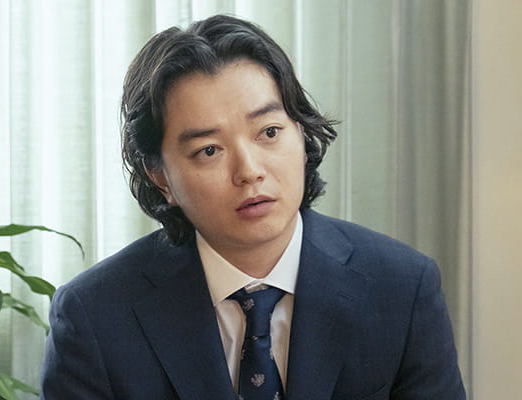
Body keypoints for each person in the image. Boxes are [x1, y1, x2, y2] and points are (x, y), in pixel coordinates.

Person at [40, 14, 466, 400]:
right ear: (160, 177)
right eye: (209, 150)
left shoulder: (402, 289)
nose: (249, 171)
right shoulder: (95, 316)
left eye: (269, 132)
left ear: (302, 133)